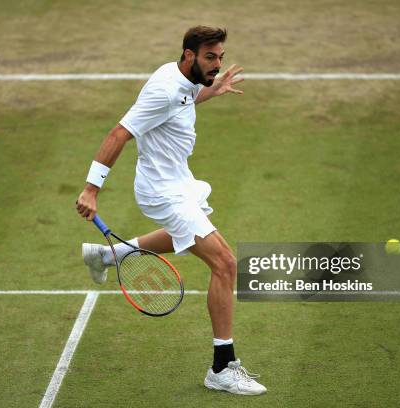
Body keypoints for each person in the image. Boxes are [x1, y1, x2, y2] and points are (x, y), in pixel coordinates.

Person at [75, 26, 266, 396]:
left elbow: (184, 99)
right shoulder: (163, 89)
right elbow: (119, 134)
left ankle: (108, 255)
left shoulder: (182, 77)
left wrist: (212, 90)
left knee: (186, 237)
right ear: (189, 55)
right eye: (210, 58)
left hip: (179, 182)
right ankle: (222, 368)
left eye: (220, 57)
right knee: (225, 264)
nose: (217, 64)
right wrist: (90, 189)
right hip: (163, 192)